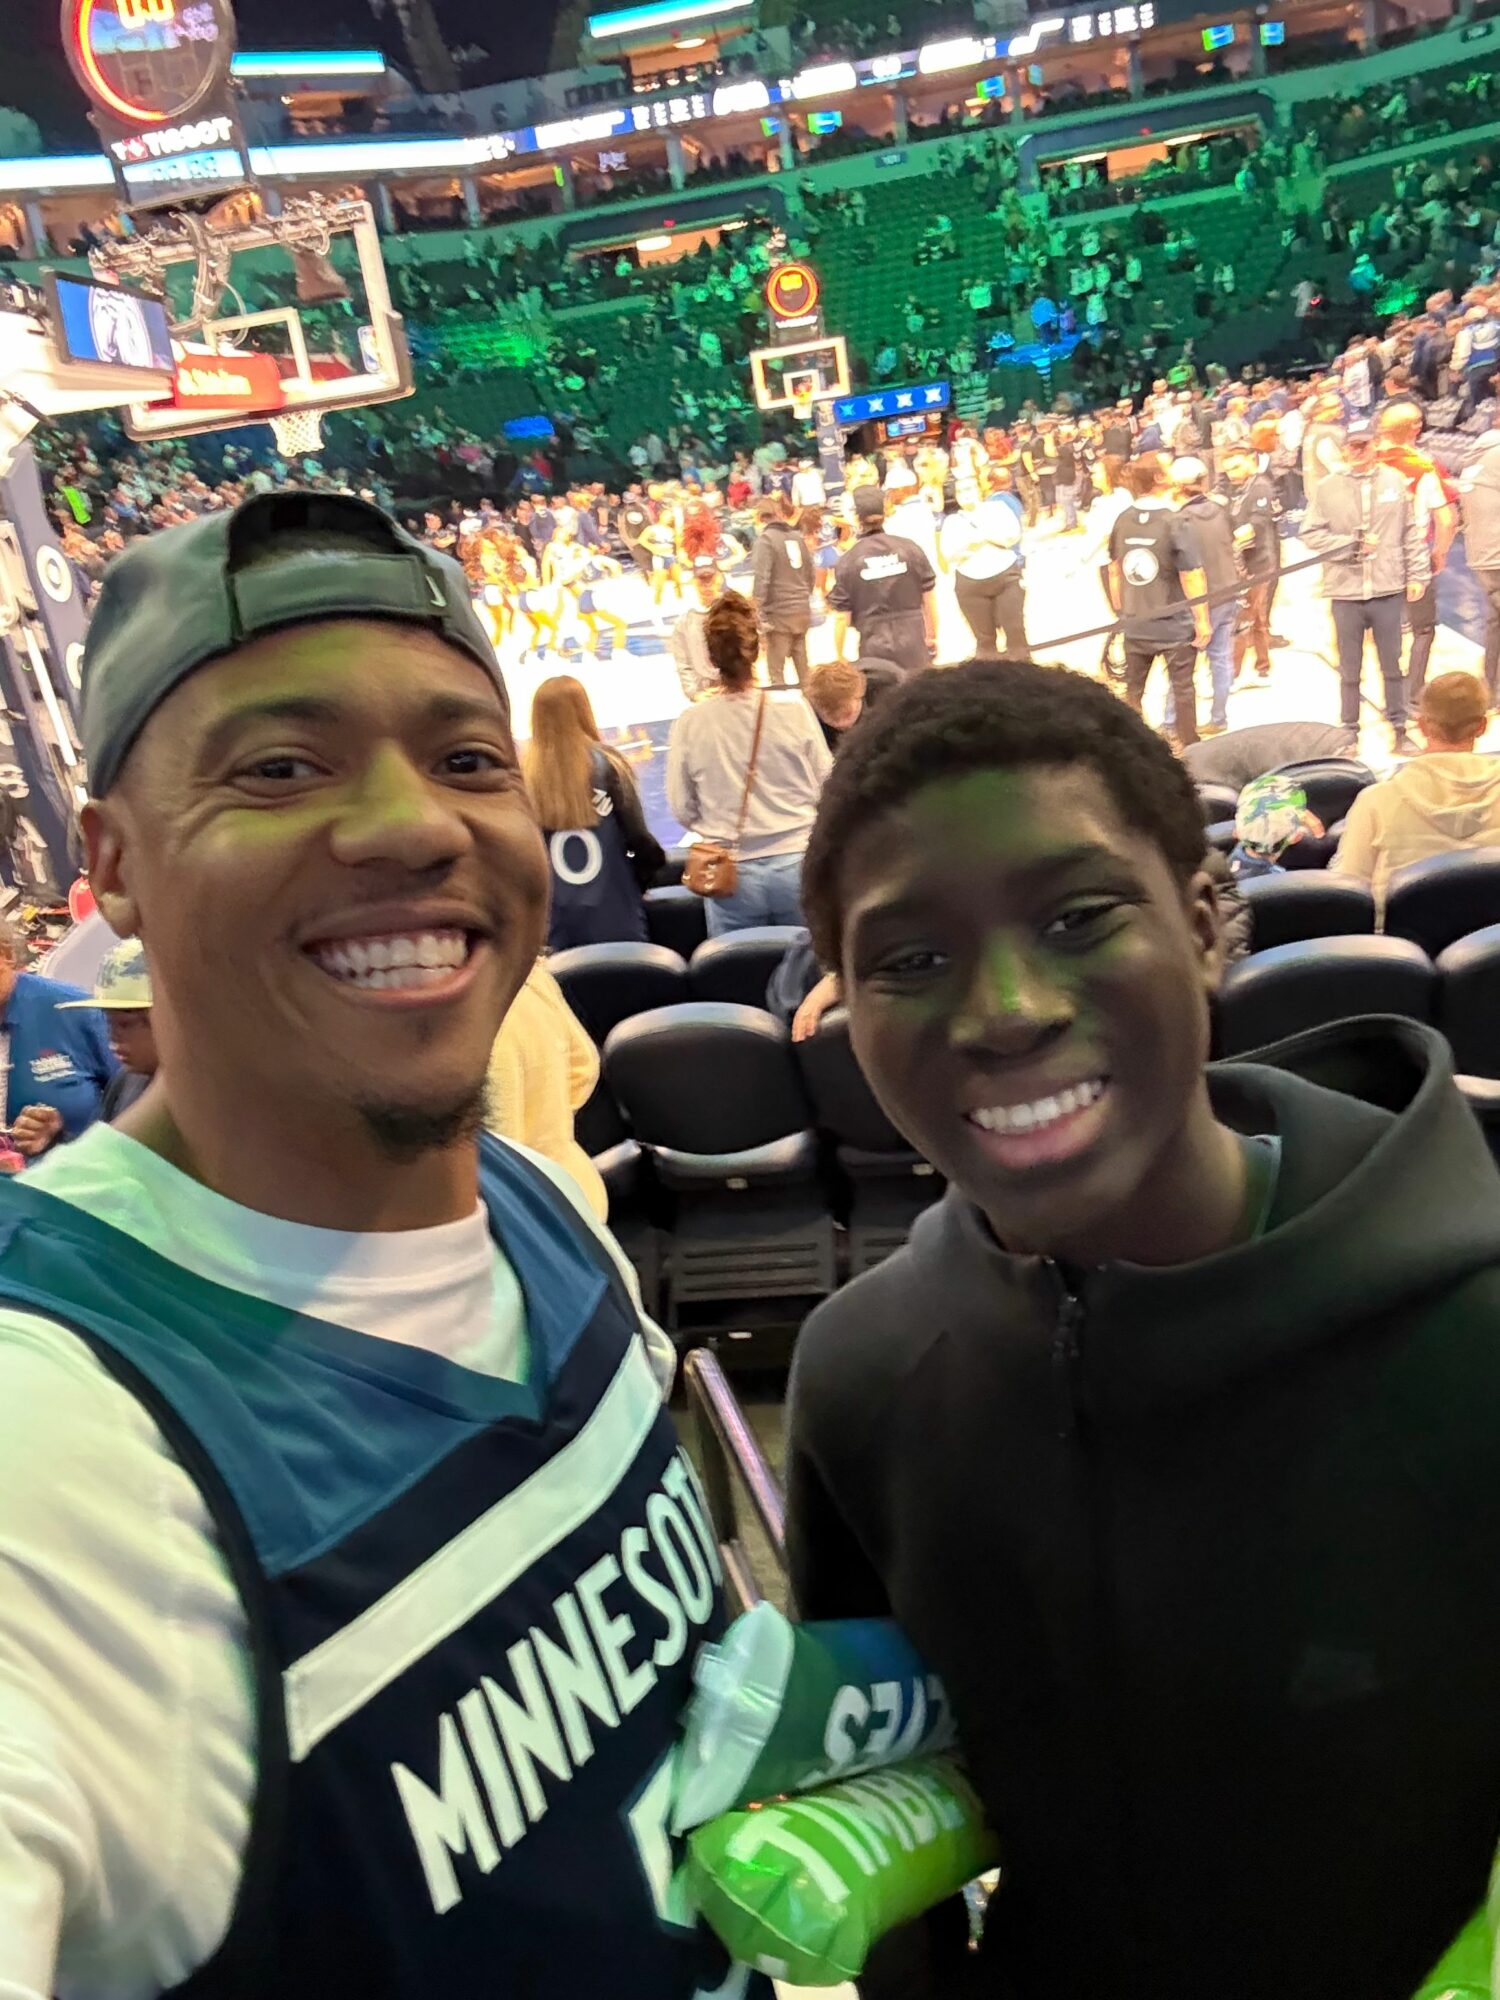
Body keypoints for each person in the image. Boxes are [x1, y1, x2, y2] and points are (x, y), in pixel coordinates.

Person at [0, 491, 756, 1998]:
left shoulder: (541, 1212)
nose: (415, 823)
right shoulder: (54, 1454)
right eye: (281, 767)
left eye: (467, 759)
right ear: (115, 864)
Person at [785, 657, 1500, 2000]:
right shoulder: (865, 1377)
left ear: (1209, 916)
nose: (1006, 1010)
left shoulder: (1478, 1329)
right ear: (845, 1007)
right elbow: (882, 1809)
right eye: (913, 958)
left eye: (1077, 915)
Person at [666, 591, 832, 935]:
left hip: (729, 872)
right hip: (797, 865)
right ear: (757, 649)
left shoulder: (691, 722)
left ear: (711, 658)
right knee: (810, 976)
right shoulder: (794, 708)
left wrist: (719, 822)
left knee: (736, 976)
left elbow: (682, 808)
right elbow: (827, 783)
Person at [1301, 417, 1430, 751]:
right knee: (1349, 667)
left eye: (1364, 444)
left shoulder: (1395, 481)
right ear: (1346, 449)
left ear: (1375, 445)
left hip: (1387, 589)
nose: (1358, 450)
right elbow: (1310, 532)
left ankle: (1400, 730)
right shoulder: (1327, 487)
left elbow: (1410, 532)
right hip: (1345, 591)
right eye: (1352, 445)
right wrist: (1350, 544)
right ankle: (1349, 733)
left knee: (1392, 664)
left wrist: (1417, 574)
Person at [1331, 670, 1500, 912]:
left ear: (1420, 725)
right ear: (1483, 726)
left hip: (1398, 945)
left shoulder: (1376, 802)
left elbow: (1348, 897)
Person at [522, 676, 664, 949]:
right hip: (616, 918)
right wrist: (643, 882)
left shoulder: (523, 777)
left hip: (555, 928)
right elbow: (639, 839)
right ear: (583, 710)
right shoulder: (608, 765)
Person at [486, 959, 607, 1220]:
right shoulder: (530, 974)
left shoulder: (462, 1027)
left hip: (526, 1221)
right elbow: (583, 1067)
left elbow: (492, 1171)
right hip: (574, 1193)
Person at [1109, 457, 1210, 747]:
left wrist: (1121, 611)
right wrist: (1202, 619)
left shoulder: (1123, 519)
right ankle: (1190, 746)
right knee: (1183, 690)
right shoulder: (1175, 521)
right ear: (1158, 478)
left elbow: (1115, 569)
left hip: (1135, 621)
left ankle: (1129, 746)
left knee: (1133, 690)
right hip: (1173, 624)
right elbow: (1191, 573)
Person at [0, 915, 116, 1162]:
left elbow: (141, 1103)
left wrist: (62, 1138)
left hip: (85, 1183)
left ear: (6, 953)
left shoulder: (73, 1010)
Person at [1376, 399, 1457, 712]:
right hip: (1414, 555)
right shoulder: (1424, 466)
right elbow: (1448, 518)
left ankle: (1390, 693)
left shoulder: (1366, 463)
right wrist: (1440, 552)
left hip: (1374, 556)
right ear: (1415, 428)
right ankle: (1412, 693)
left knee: (1385, 627)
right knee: (1422, 627)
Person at [828, 485, 938, 679]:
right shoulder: (910, 549)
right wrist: (931, 635)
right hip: (913, 640)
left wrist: (839, 655)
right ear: (885, 511)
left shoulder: (848, 561)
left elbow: (840, 617)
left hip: (873, 645)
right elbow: (929, 597)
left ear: (856, 518)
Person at [1170, 456, 1238, 735]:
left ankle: (1171, 721)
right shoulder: (1222, 510)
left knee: (1181, 665)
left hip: (1199, 598)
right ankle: (1219, 717)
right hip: (1228, 590)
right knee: (1221, 659)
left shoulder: (1179, 519)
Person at [57, 934, 156, 1121]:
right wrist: (56, 1137)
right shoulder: (125, 1080)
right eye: (108, 1022)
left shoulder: (203, 1096)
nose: (113, 1037)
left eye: (125, 1024)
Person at [939, 478, 1029, 662]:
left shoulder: (997, 509)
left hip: (1005, 576)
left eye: (970, 488)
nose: (966, 494)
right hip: (970, 582)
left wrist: (982, 537)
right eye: (962, 491)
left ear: (980, 489)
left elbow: (1012, 535)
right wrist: (971, 543)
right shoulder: (952, 521)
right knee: (985, 642)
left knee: (1015, 632)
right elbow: (948, 552)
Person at [1221, 442, 1281, 680]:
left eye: (1236, 467)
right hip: (1238, 561)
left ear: (1249, 460)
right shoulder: (1232, 487)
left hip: (1257, 562)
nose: (1232, 474)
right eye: (1228, 470)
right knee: (1257, 615)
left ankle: (1231, 673)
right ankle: (1263, 663)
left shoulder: (1261, 487)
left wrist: (1234, 539)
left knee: (1243, 617)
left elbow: (1258, 522)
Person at [750, 493, 814, 686]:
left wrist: (756, 608)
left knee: (776, 673)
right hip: (801, 609)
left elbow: (762, 578)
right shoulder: (797, 537)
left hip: (778, 612)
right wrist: (803, 596)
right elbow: (810, 574)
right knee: (804, 671)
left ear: (760, 518)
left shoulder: (766, 540)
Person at [1462, 432, 1500, 707]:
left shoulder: (1475, 454)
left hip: (1481, 553)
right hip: (1497, 552)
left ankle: (1491, 690)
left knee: (1495, 624)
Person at [804, 656, 902, 754]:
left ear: (860, 692)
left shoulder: (890, 691)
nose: (842, 724)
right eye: (831, 719)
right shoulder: (809, 716)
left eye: (847, 714)